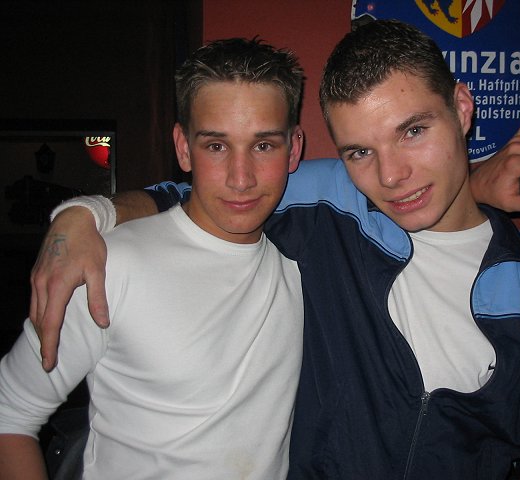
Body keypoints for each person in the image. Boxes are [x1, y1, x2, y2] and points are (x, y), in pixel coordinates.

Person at [26, 22, 520, 480]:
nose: (392, 176)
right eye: (359, 152)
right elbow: (193, 194)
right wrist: (83, 215)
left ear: (463, 109)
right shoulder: (327, 210)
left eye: (413, 131)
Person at [0, 37, 305, 479]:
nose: (241, 179)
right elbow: (10, 415)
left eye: (263, 146)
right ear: (183, 147)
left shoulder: (301, 263)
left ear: (293, 149)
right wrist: (79, 215)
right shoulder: (110, 265)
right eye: (216, 146)